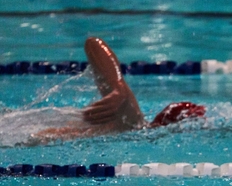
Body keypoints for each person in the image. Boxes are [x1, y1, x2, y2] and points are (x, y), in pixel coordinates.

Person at [31, 37, 205, 143]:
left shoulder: (130, 127)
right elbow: (93, 43)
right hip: (33, 136)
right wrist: (118, 87)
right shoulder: (131, 120)